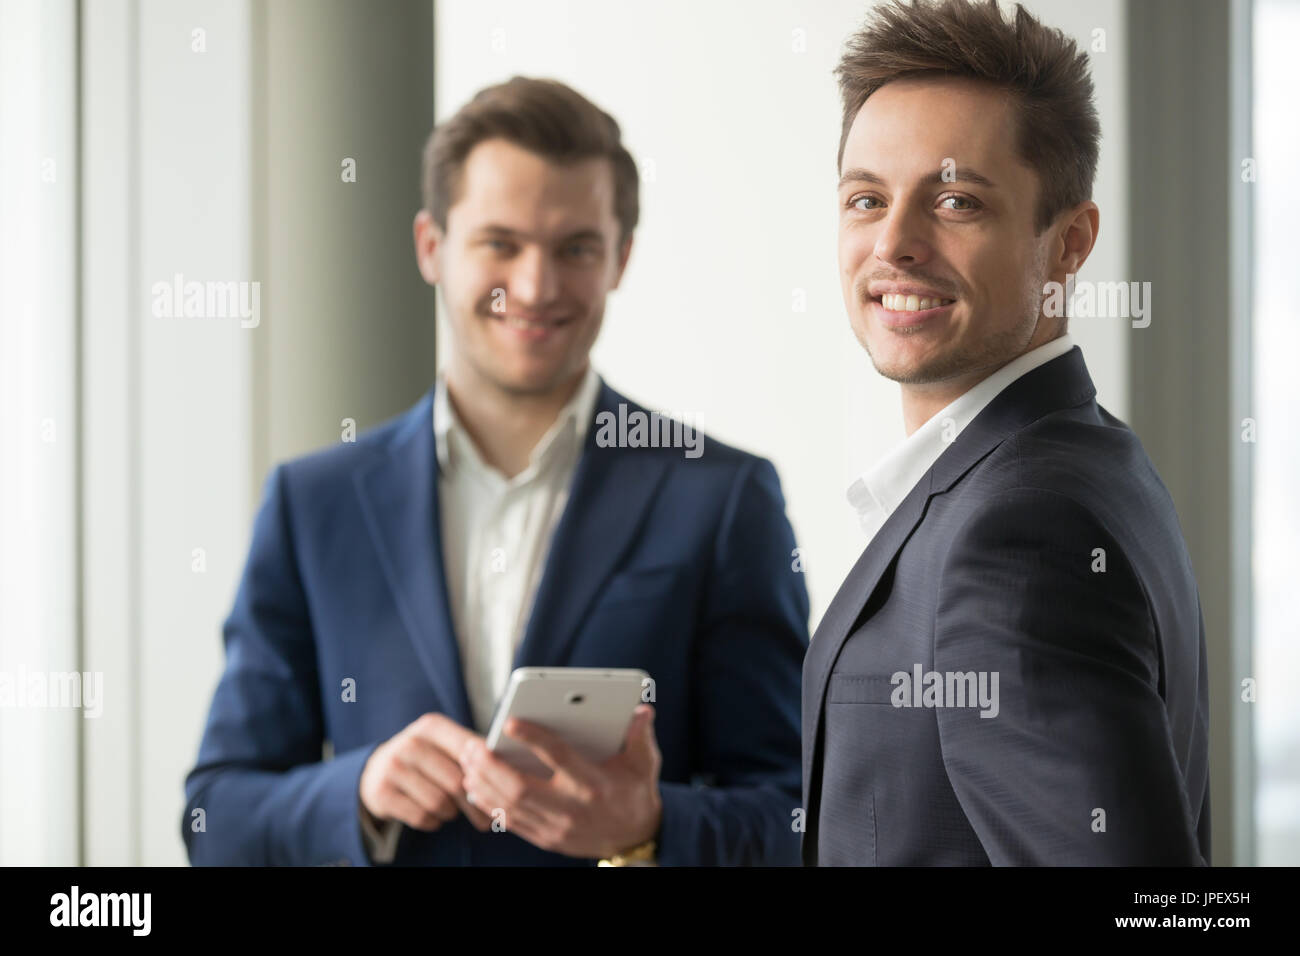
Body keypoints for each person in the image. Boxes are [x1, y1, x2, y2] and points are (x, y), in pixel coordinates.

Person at [183, 76, 808, 866]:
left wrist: (647, 828)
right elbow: (217, 816)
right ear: (431, 247)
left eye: (576, 247)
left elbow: (800, 816)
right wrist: (361, 791)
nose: (537, 285)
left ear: (620, 258)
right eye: (500, 242)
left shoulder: (721, 498)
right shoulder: (314, 506)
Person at [802, 0, 1210, 865]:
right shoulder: (1085, 455)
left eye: (955, 201)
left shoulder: (1019, 534)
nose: (895, 244)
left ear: (1069, 242)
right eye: (867, 199)